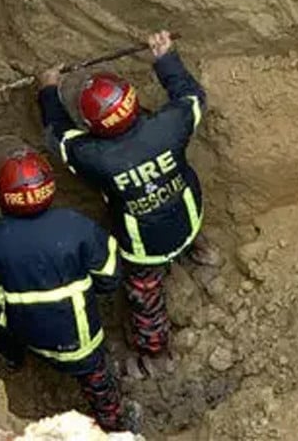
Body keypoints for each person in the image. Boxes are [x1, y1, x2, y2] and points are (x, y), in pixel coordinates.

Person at [37, 30, 220, 379]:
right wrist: (166, 58)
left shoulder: (96, 157)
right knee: (179, 220)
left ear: (92, 127)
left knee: (145, 297)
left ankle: (155, 355)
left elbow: (58, 137)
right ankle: (201, 252)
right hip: (187, 213)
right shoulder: (169, 125)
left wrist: (48, 90)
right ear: (132, 100)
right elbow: (192, 97)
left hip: (145, 248)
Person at [0, 142, 141, 432]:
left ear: (1, 194)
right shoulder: (76, 226)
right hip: (78, 339)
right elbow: (110, 275)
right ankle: (114, 422)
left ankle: (10, 358)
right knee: (96, 377)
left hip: (26, 331)